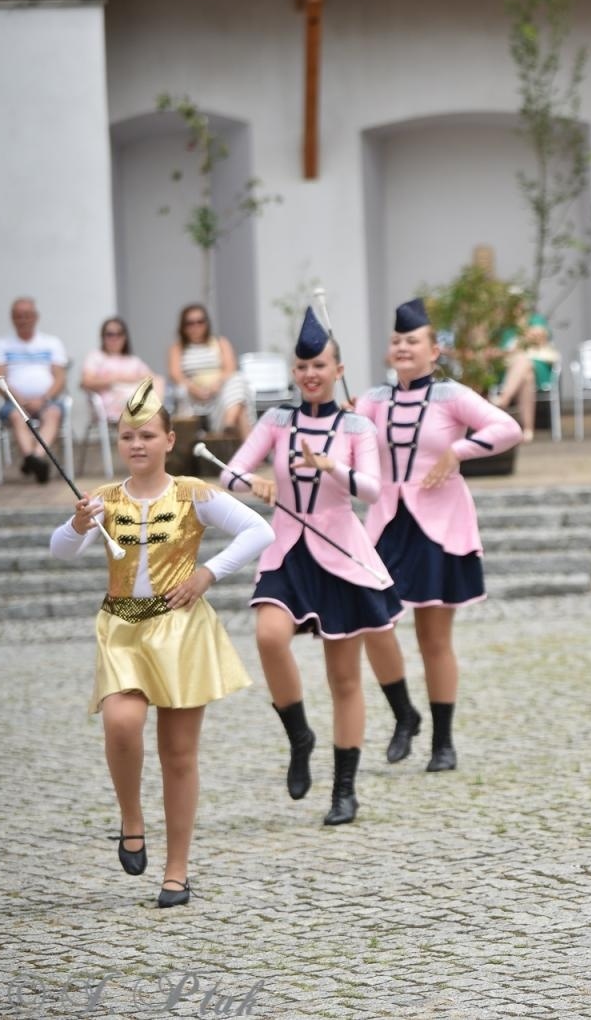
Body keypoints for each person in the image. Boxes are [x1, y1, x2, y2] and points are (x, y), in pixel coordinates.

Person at [48, 379, 273, 907]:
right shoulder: (104, 500)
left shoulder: (192, 493)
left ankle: (176, 871)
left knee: (178, 753)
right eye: (128, 436)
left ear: (170, 439)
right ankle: (131, 816)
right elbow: (62, 551)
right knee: (121, 721)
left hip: (179, 630)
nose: (137, 444)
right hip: (122, 628)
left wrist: (208, 575)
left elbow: (258, 530)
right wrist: (79, 523)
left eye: (148, 434)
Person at [220, 309, 402, 826]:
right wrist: (252, 484)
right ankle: (299, 734)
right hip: (286, 547)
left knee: (345, 678)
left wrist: (330, 466)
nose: (310, 374)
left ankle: (344, 789)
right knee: (269, 637)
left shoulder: (356, 426)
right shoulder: (277, 421)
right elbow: (231, 472)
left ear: (338, 368)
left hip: (339, 548)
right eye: (302, 367)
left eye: (319, 365)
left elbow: (371, 488)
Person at [358, 299, 524, 772]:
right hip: (386, 523)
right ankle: (403, 713)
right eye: (396, 342)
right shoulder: (372, 400)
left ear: (435, 351)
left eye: (413, 341)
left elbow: (507, 428)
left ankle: (443, 742)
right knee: (372, 621)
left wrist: (458, 451)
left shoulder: (451, 396)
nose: (403, 347)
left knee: (434, 638)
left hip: (439, 526)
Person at [0, 297, 69, 484]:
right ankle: (35, 460)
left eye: (27, 315)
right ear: (12, 318)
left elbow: (60, 377)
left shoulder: (52, 343)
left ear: (35, 317)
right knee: (17, 416)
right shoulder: (1, 345)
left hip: (47, 400)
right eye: (18, 316)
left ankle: (34, 458)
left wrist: (44, 398)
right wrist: (18, 400)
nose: (23, 320)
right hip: (14, 402)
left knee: (53, 413)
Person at [167, 304, 252, 440]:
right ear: (183, 326)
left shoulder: (220, 342)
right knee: (240, 408)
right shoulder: (178, 347)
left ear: (207, 323)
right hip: (192, 398)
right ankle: (245, 446)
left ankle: (228, 426)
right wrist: (193, 388)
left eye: (200, 321)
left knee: (237, 381)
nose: (196, 326)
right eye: (190, 323)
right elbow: (175, 374)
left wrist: (216, 385)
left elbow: (230, 368)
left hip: (220, 394)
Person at [490, 305, 559, 443]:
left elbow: (539, 336)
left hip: (538, 366)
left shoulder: (535, 320)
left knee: (523, 360)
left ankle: (504, 399)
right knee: (527, 377)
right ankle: (528, 430)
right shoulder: (503, 328)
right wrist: (507, 352)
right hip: (509, 372)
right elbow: (491, 352)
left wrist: (522, 331)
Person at [82, 317, 158, 424]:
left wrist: (133, 380)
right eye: (110, 334)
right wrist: (116, 379)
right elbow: (86, 382)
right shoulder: (96, 356)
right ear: (103, 336)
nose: (114, 338)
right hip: (110, 404)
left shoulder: (133, 360)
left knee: (158, 384)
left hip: (135, 397)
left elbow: (152, 378)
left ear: (125, 337)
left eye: (119, 334)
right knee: (142, 401)